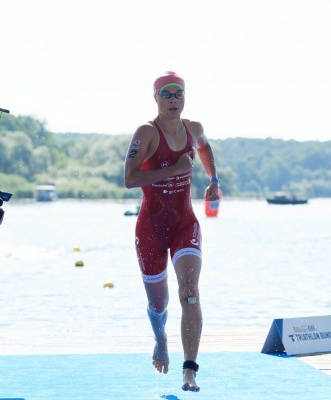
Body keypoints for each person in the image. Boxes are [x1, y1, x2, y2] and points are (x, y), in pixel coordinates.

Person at [124, 71, 220, 392]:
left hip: (184, 224)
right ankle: (160, 337)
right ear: (156, 98)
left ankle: (189, 371)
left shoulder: (194, 128)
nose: (173, 100)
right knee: (159, 304)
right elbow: (130, 178)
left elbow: (204, 149)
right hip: (151, 228)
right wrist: (173, 169)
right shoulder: (146, 133)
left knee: (189, 291)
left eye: (178, 94)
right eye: (167, 94)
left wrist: (213, 180)